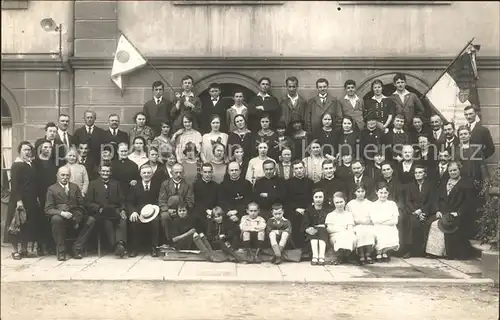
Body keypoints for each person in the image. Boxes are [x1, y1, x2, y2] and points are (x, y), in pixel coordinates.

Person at [45, 166, 96, 261]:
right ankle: (61, 251)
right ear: (57, 176)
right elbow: (48, 209)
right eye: (62, 175)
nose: (65, 177)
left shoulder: (75, 187)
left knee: (91, 220)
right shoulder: (52, 189)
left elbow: (82, 204)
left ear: (70, 176)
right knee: (56, 219)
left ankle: (77, 248)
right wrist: (61, 213)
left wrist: (78, 213)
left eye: (67, 175)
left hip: (75, 216)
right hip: (61, 218)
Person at [424, 161, 472, 260]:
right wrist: (437, 210)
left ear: (459, 170)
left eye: (455, 170)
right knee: (431, 223)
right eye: (450, 171)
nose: (453, 172)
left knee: (447, 225)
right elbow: (435, 198)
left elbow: (468, 202)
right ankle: (434, 252)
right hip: (442, 212)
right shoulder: (444, 183)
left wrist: (458, 212)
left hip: (456, 214)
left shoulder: (466, 184)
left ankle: (447, 252)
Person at [4, 142, 41, 259]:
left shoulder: (30, 164)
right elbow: (14, 185)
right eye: (25, 150)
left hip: (30, 200)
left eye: (29, 150)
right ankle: (15, 251)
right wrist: (19, 201)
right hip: (18, 200)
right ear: (20, 151)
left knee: (26, 225)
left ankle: (24, 250)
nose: (27, 152)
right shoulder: (17, 165)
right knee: (16, 224)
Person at [85, 164, 128, 258]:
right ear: (99, 172)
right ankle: (115, 246)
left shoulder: (116, 184)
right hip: (101, 212)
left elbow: (122, 200)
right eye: (103, 171)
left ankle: (120, 243)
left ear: (110, 173)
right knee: (107, 222)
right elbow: (88, 202)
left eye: (107, 171)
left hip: (115, 210)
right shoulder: (93, 184)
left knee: (123, 220)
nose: (105, 173)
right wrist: (98, 208)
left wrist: (123, 210)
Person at [127, 164, 161, 257]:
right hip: (139, 212)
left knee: (156, 221)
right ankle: (134, 248)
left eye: (149, 173)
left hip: (153, 211)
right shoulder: (135, 186)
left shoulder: (157, 185)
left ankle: (154, 247)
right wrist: (133, 211)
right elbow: (129, 202)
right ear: (140, 174)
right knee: (134, 220)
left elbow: (159, 200)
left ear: (152, 174)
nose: (146, 175)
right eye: (144, 173)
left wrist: (155, 210)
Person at [401, 165, 433, 258]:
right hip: (413, 212)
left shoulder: (430, 186)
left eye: (420, 172)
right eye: (416, 173)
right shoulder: (410, 186)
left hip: (426, 212)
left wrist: (422, 211)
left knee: (428, 223)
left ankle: (425, 251)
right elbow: (407, 201)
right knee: (412, 222)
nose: (417, 174)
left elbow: (431, 201)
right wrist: (415, 212)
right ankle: (410, 250)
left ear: (425, 174)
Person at [33, 140, 58, 255]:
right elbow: (34, 181)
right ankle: (41, 246)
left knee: (51, 219)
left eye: (49, 147)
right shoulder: (36, 163)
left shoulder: (54, 163)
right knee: (41, 220)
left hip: (52, 195)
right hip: (40, 194)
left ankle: (50, 245)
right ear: (41, 149)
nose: (47, 149)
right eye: (45, 147)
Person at [285, 160, 314, 249]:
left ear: (304, 169)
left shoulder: (310, 182)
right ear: (293, 170)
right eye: (296, 168)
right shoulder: (288, 183)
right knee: (295, 220)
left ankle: (308, 249)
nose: (299, 170)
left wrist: (307, 209)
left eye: (301, 168)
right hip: (294, 210)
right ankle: (297, 248)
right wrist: (296, 208)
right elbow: (286, 199)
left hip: (308, 209)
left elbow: (313, 198)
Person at [370, 182, 400, 262]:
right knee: (381, 232)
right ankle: (378, 252)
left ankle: (384, 251)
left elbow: (395, 221)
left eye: (385, 193)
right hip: (378, 227)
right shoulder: (373, 205)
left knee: (391, 231)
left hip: (390, 226)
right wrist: (387, 219)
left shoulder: (392, 204)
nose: (383, 195)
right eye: (381, 193)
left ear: (388, 193)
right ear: (376, 192)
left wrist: (382, 220)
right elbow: (375, 220)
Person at [325, 192, 357, 265]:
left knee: (351, 237)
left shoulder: (348, 214)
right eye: (337, 202)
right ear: (334, 203)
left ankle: (348, 256)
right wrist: (340, 230)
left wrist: (347, 232)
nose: (339, 204)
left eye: (341, 202)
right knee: (340, 237)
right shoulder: (330, 215)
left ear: (345, 201)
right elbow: (329, 229)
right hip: (335, 235)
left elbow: (350, 228)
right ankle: (340, 256)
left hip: (347, 233)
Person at [347, 185, 375, 265]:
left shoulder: (370, 203)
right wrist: (358, 222)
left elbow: (373, 217)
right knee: (360, 231)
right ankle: (361, 254)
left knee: (369, 231)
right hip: (356, 225)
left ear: (365, 192)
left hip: (368, 224)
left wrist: (365, 222)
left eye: (362, 191)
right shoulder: (350, 204)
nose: (360, 194)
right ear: (355, 193)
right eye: (358, 192)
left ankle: (368, 254)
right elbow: (349, 217)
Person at [302, 189, 329, 265]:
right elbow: (304, 226)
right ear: (313, 198)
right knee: (314, 231)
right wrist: (308, 229)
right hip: (311, 236)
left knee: (321, 230)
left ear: (324, 198)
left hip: (325, 235)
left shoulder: (328, 210)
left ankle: (321, 256)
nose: (318, 199)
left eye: (320, 197)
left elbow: (331, 222)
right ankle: (315, 256)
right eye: (316, 197)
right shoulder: (308, 211)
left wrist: (324, 226)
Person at [192, 163, 219, 233]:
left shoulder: (216, 186)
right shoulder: (195, 185)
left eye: (209, 172)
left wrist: (213, 212)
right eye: (205, 172)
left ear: (212, 172)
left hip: (214, 211)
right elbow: (195, 201)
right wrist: (206, 210)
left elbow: (218, 201)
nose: (207, 174)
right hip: (200, 211)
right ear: (201, 172)